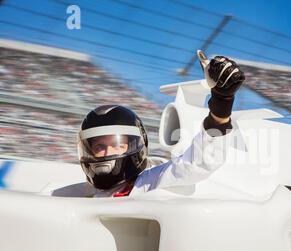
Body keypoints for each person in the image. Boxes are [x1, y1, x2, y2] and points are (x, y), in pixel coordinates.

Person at [48, 55, 245, 197]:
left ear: (135, 146)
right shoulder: (78, 195)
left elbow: (198, 164)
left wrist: (222, 102)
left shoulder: (150, 182)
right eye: (99, 147)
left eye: (117, 144)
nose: (108, 151)